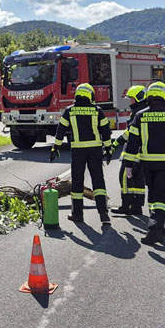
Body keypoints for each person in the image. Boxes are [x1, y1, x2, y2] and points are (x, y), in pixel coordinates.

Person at [123, 82, 165, 244]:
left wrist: (129, 164)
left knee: (153, 193)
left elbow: (132, 143)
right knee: (161, 192)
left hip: (148, 162)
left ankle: (156, 227)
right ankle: (159, 225)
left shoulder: (140, 116)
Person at [50, 83, 112, 225]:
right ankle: (104, 214)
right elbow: (106, 132)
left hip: (78, 151)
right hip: (95, 150)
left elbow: (60, 131)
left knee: (77, 183)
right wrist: (108, 149)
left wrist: (55, 148)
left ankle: (77, 214)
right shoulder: (97, 110)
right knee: (98, 181)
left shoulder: (69, 111)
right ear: (90, 95)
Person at [112, 85, 147, 215]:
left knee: (125, 178)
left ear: (138, 98)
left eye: (131, 99)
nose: (130, 101)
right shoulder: (145, 110)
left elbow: (131, 133)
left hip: (133, 153)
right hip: (143, 153)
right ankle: (137, 207)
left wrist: (116, 143)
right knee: (138, 180)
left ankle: (126, 206)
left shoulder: (137, 113)